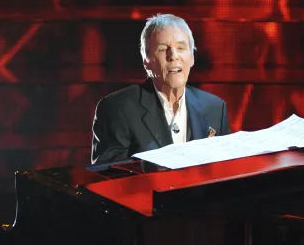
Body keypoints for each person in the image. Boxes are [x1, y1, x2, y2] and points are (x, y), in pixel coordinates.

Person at [91, 13, 231, 164]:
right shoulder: (117, 108)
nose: (173, 56)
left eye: (181, 48)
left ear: (192, 58)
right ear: (146, 62)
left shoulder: (216, 108)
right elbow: (110, 178)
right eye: (163, 49)